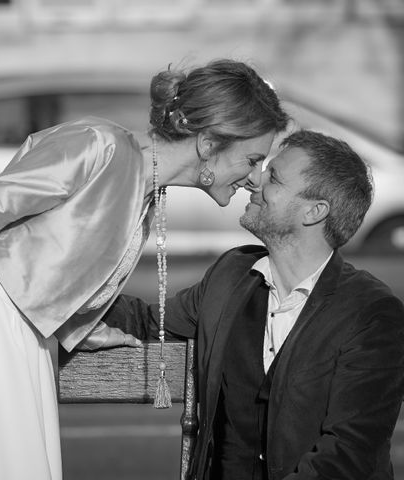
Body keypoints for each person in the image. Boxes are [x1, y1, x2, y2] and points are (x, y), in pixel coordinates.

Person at [0, 59, 289, 480]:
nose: (255, 179)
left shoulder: (147, 193)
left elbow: (53, 266)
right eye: (253, 158)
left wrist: (84, 328)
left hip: (20, 338)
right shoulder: (99, 145)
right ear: (208, 143)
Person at [103, 129, 404, 479]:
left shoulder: (373, 314)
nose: (253, 182)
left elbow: (347, 455)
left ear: (314, 211)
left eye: (273, 177)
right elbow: (147, 321)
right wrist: (58, 292)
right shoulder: (232, 273)